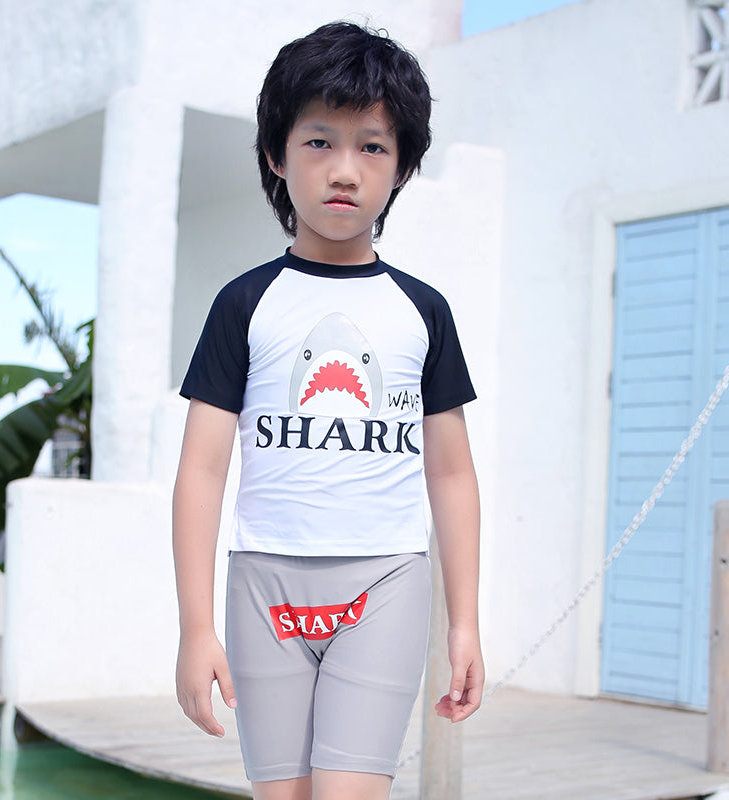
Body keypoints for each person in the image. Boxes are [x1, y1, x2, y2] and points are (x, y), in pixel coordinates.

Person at [173, 20, 483, 800]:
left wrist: (465, 622)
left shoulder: (423, 312)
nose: (344, 170)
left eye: (372, 146)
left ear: (402, 166)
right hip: (263, 588)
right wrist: (194, 627)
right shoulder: (243, 304)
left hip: (385, 583)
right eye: (319, 141)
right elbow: (202, 470)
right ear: (276, 156)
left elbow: (451, 474)